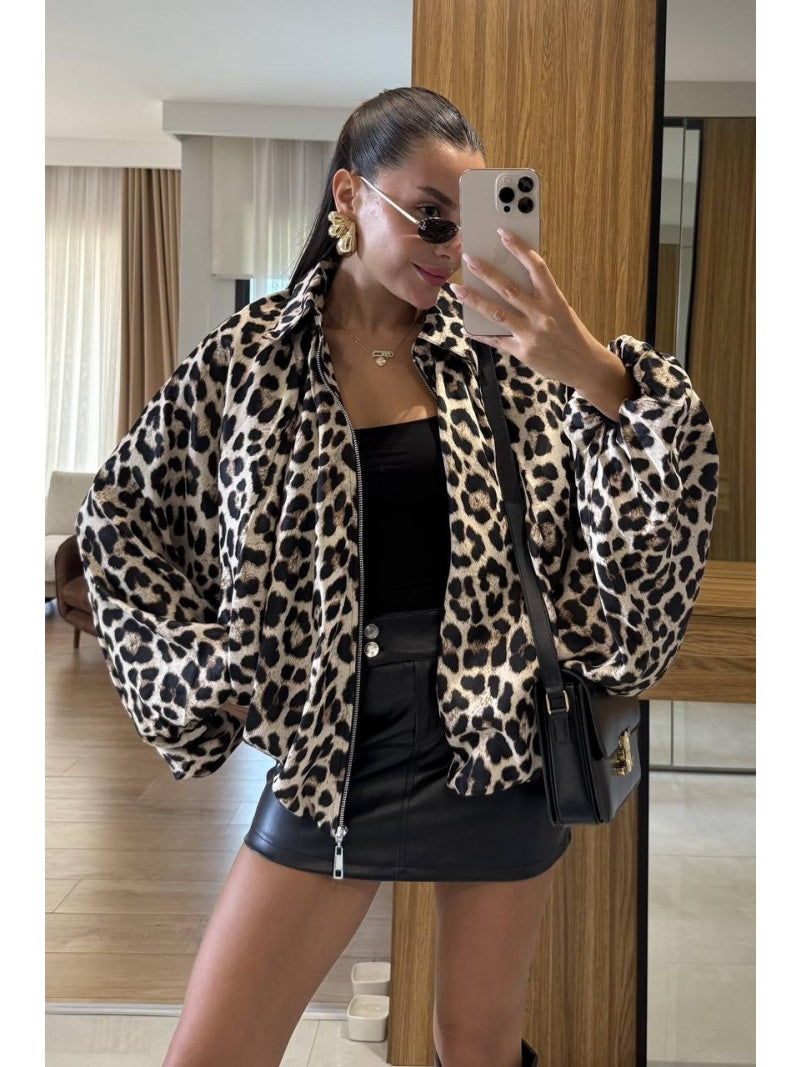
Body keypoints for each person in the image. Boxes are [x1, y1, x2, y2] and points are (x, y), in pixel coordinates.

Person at [75, 86, 718, 1067]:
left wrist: (586, 364)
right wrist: (207, 667)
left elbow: (640, 515)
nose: (451, 248)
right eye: (430, 216)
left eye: (470, 221)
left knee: (475, 1046)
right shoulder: (252, 358)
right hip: (333, 748)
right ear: (350, 195)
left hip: (498, 738)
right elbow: (118, 517)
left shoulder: (506, 357)